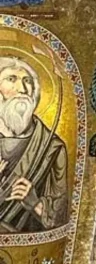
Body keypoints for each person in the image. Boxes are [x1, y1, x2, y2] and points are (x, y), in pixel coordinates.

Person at [0, 57, 67, 233]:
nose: (22, 89)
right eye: (11, 79)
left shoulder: (51, 147)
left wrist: (34, 203)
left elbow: (61, 220)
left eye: (27, 81)